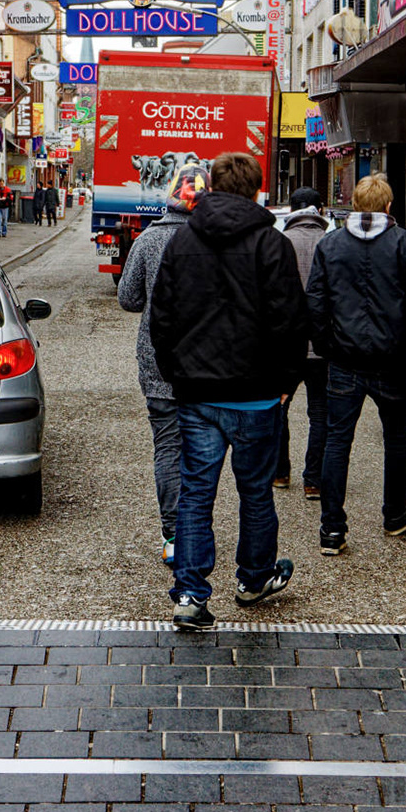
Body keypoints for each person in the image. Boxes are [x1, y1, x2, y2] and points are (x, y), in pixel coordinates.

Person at [149, 151, 308, 630]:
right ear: (258, 190)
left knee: (197, 493)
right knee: (256, 491)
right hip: (257, 394)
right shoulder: (270, 246)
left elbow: (162, 319)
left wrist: (177, 374)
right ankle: (255, 578)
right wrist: (285, 384)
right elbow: (290, 323)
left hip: (197, 393)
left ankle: (192, 596)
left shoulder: (182, 242)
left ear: (211, 187)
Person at [305, 172, 406, 556]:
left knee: (337, 440)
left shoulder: (331, 245)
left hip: (344, 359)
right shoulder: (405, 244)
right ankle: (394, 513)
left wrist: (328, 345)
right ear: (389, 206)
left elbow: (315, 302)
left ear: (355, 206)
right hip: (392, 360)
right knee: (395, 437)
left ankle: (332, 529)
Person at [117, 162, 205, 565]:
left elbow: (129, 299)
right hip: (206, 364)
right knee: (202, 449)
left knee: (167, 446)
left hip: (157, 362)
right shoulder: (213, 240)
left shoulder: (149, 240)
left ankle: (173, 534)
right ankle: (198, 530)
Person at [274, 187, 331, 499]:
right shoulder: (331, 242)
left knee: (279, 407)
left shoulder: (281, 242)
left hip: (286, 345)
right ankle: (314, 480)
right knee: (320, 412)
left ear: (291, 209)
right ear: (320, 210)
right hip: (322, 346)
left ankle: (280, 473)